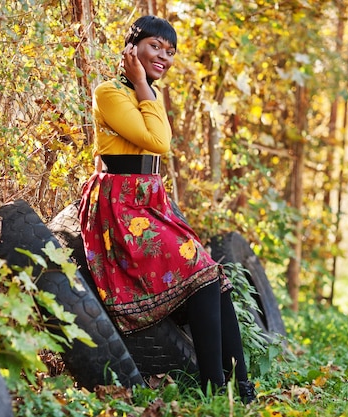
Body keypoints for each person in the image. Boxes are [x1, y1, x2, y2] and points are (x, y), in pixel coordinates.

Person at [78, 15, 256, 403]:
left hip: (150, 198)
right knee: (203, 274)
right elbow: (158, 142)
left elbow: (157, 142)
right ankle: (213, 390)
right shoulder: (110, 93)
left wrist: (146, 90)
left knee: (213, 277)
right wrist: (143, 84)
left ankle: (241, 390)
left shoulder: (146, 95)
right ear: (132, 48)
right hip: (120, 206)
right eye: (155, 46)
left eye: (170, 51)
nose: (163, 56)